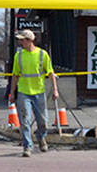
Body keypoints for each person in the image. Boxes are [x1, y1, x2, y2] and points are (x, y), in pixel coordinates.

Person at [7, 29, 59, 157]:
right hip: (23, 92)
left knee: (43, 121)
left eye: (22, 40)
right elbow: (15, 75)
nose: (20, 42)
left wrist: (55, 89)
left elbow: (50, 73)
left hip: (39, 92)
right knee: (25, 120)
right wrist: (12, 93)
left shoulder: (42, 54)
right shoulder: (19, 56)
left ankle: (41, 137)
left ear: (29, 40)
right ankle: (27, 146)